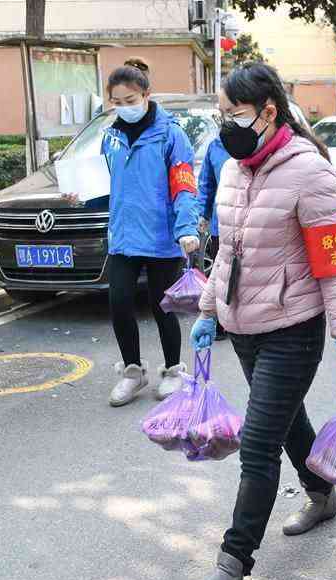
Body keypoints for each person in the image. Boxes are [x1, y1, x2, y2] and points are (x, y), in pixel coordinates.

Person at [184, 62, 336, 580]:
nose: (226, 126)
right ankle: (320, 493)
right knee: (288, 424)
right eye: (221, 115)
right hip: (244, 327)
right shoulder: (237, 168)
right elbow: (229, 255)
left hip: (293, 329)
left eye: (234, 115)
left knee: (258, 444)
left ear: (268, 113)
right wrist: (207, 310)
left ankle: (231, 565)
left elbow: (334, 261)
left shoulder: (309, 171)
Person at [100, 58, 201, 407]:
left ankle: (173, 369)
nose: (124, 108)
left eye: (131, 101)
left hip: (162, 237)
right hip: (124, 237)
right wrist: (80, 196)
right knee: (119, 303)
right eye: (118, 102)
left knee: (163, 307)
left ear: (146, 95)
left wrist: (186, 228)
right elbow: (109, 183)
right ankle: (132, 372)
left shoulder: (171, 135)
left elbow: (185, 186)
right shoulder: (110, 137)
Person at [195, 134, 231, 339]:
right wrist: (204, 213)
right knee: (221, 276)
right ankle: (220, 324)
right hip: (222, 225)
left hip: (256, 225)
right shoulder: (216, 146)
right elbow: (207, 183)